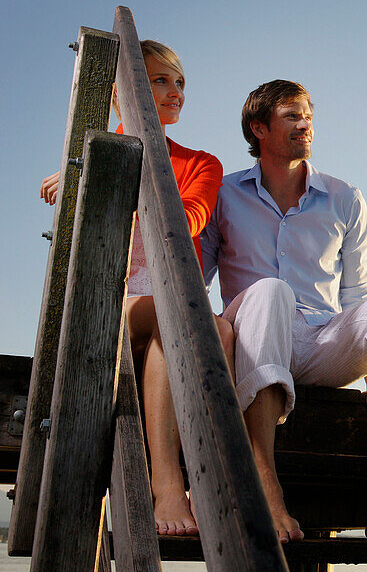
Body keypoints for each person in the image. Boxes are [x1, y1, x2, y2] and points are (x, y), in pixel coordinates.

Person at [200, 80, 367, 544]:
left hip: (322, 340)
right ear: (258, 128)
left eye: (308, 115)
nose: (305, 124)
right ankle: (266, 489)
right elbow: (193, 280)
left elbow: (356, 297)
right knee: (270, 292)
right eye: (291, 116)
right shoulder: (223, 195)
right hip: (254, 336)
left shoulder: (345, 197)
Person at [39, 41, 235, 537]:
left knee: (218, 329)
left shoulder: (200, 164)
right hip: (112, 309)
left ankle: (217, 480)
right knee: (183, 314)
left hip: (173, 304)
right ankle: (166, 485)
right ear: (122, 95)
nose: (175, 93)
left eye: (180, 82)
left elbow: (187, 221)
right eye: (158, 81)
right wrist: (89, 172)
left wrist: (100, 182)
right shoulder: (89, 156)